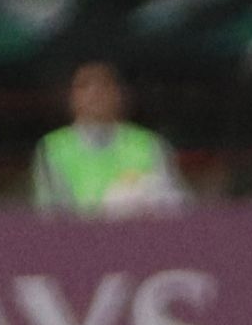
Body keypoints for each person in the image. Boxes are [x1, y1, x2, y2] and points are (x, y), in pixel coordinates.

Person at [29, 58, 185, 216]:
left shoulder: (150, 144)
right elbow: (52, 211)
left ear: (119, 95)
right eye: (85, 86)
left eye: (105, 85)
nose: (95, 93)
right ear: (71, 97)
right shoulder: (52, 147)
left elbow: (174, 204)